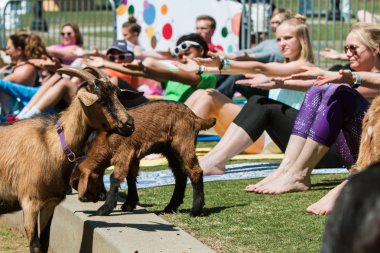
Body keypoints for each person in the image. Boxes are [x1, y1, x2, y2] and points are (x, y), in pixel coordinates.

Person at [247, 23, 379, 216]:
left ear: (376, 49)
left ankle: (298, 173)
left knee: (335, 90)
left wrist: (281, 81)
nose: (348, 53)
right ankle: (290, 170)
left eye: (353, 48)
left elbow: (260, 65)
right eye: (346, 49)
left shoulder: (367, 79)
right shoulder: (347, 73)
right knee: (317, 88)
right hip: (351, 151)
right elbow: (317, 83)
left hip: (371, 152)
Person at [173, 15, 317, 156]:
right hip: (263, 135)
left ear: (302, 40)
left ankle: (173, 146)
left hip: (272, 142)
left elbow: (259, 67)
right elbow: (253, 70)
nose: (282, 43)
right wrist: (202, 69)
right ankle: (168, 140)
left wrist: (222, 63)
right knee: (203, 93)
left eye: (287, 38)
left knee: (208, 97)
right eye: (279, 39)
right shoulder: (282, 66)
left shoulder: (304, 66)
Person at [91, 33, 217, 103]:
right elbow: (142, 72)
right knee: (115, 81)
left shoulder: (207, 75)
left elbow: (171, 76)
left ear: (201, 50)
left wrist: (106, 63)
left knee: (115, 82)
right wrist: (103, 63)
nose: (184, 58)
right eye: (181, 56)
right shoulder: (176, 70)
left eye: (188, 53)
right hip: (160, 111)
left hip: (177, 117)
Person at [215, 8, 292, 99]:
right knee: (226, 69)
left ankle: (214, 99)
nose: (275, 25)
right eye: (272, 22)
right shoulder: (268, 43)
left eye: (278, 22)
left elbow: (272, 55)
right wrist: (226, 55)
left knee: (238, 75)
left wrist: (247, 57)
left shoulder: (287, 43)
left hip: (272, 86)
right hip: (259, 80)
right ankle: (207, 93)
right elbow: (249, 51)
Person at [0, 31, 48, 116]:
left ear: (19, 50)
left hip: (18, 112)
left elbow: (4, 84)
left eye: (9, 48)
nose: (6, 52)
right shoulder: (12, 66)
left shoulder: (27, 69)